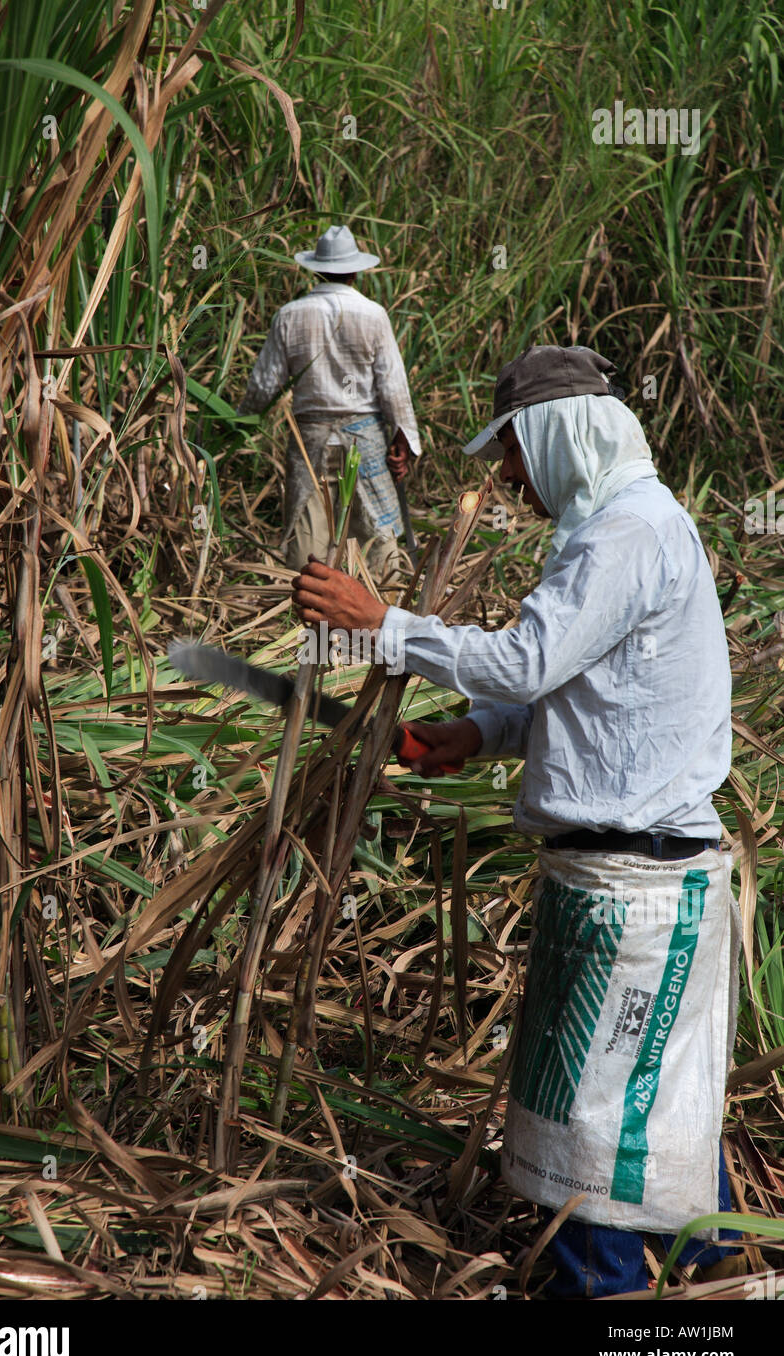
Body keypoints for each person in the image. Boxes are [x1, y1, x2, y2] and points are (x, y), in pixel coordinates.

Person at [291, 344, 745, 1297]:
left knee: (602, 1128)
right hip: (630, 879)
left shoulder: (627, 532)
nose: (505, 476)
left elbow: (531, 659)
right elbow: (590, 697)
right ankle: (705, 1285)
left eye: (511, 451)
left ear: (561, 434)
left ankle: (614, 1299)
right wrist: (477, 734)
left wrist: (386, 627)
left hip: (639, 890)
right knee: (650, 1110)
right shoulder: (621, 530)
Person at [239, 224, 420, 582]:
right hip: (365, 438)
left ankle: (307, 619)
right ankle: (384, 609)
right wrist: (405, 441)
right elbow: (393, 388)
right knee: (377, 532)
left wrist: (240, 421)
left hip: (310, 440)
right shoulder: (373, 315)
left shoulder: (290, 315)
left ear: (316, 269)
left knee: (308, 534)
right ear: (355, 270)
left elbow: (264, 385)